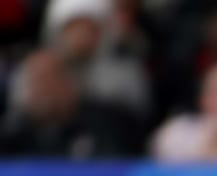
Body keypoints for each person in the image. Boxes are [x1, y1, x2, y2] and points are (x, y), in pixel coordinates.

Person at [0, 47, 142, 158]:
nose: (43, 89)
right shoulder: (13, 135)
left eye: (50, 79)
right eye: (36, 81)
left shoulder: (106, 123)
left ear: (70, 82)